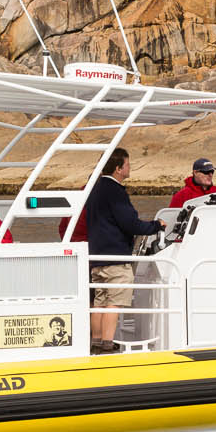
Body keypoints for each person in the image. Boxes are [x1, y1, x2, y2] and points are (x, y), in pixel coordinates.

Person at [67, 148, 164, 352]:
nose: (130, 168)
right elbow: (129, 223)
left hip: (98, 257)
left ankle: (96, 340)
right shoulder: (115, 191)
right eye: (127, 164)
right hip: (115, 257)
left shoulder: (94, 189)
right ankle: (107, 343)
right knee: (114, 301)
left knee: (100, 301)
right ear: (119, 168)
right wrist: (156, 225)